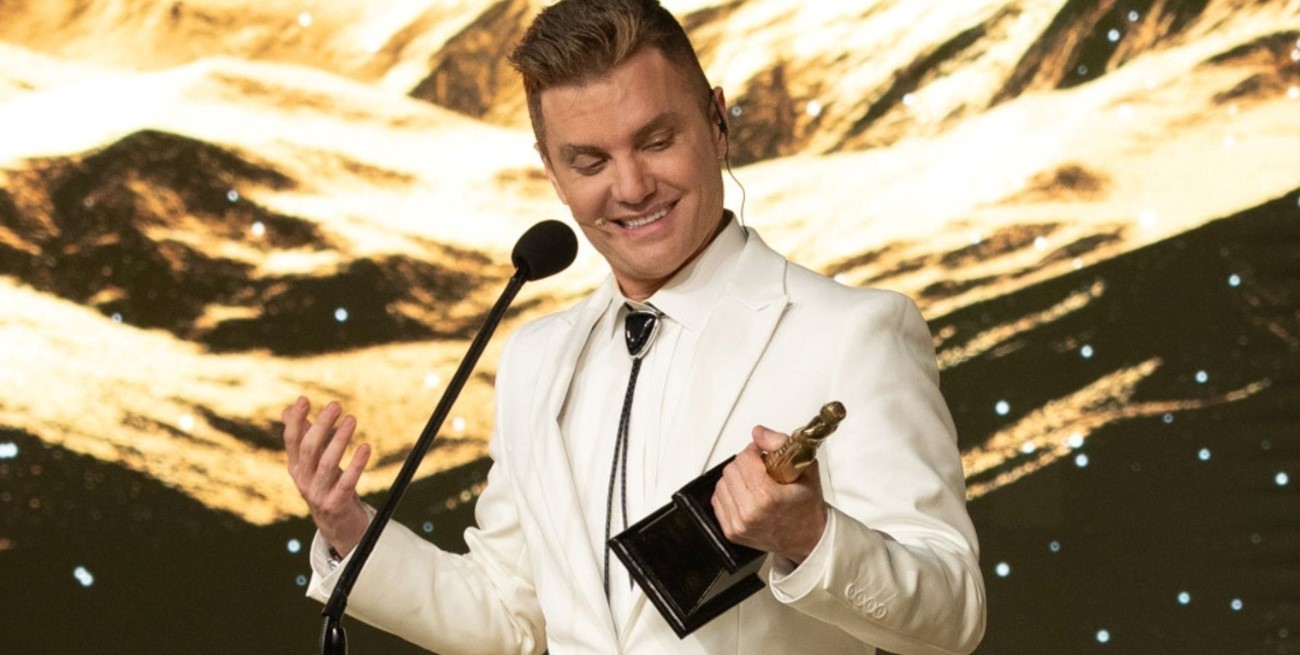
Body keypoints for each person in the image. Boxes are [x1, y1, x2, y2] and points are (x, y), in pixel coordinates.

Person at [281, 0, 986, 653]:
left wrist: (811, 537)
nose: (631, 187)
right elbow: (509, 616)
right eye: (589, 161)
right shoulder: (536, 358)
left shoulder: (853, 332)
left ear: (716, 121)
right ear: (553, 173)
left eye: (655, 140)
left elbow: (953, 613)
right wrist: (349, 531)